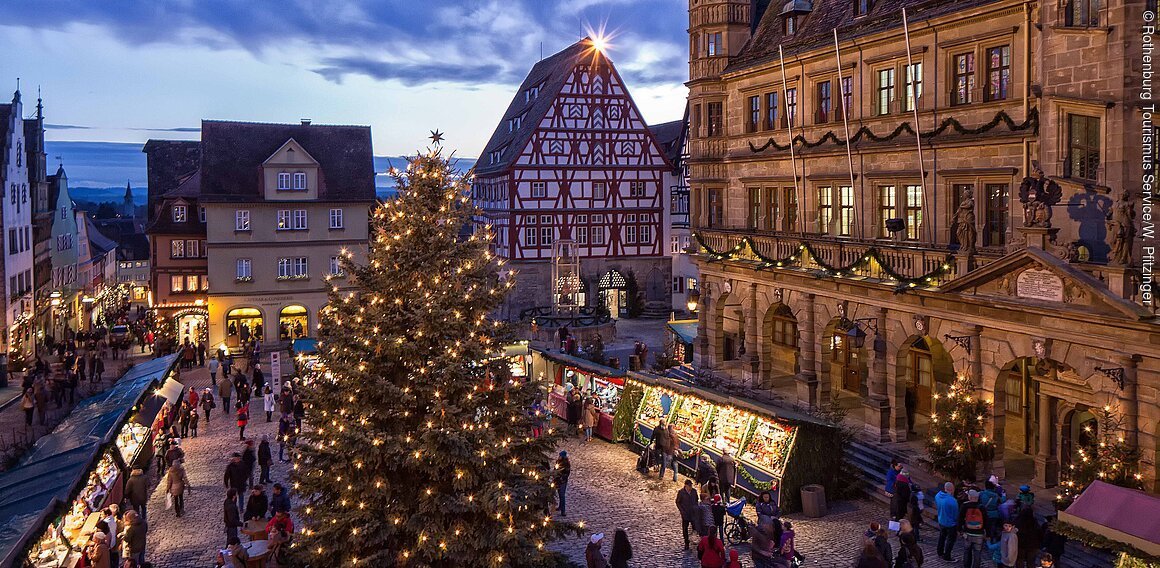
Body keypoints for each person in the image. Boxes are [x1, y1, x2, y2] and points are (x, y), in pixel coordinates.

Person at [960, 489, 988, 568]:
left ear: (969, 497)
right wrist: (987, 533)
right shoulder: (982, 507)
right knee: (977, 552)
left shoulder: (965, 506)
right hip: (979, 533)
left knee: (966, 551)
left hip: (967, 533)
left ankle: (966, 566)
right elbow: (986, 521)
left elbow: (960, 519)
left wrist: (959, 530)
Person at [935, 482, 960, 562]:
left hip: (941, 520)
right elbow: (955, 515)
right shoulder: (952, 501)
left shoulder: (938, 496)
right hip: (950, 523)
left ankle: (940, 552)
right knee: (950, 540)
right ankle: (947, 556)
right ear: (952, 490)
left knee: (942, 537)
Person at [676, 479, 700, 550]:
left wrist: (695, 507)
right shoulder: (681, 492)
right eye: (689, 486)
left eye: (691, 485)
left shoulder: (694, 492)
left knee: (695, 527)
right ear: (685, 485)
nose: (690, 487)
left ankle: (694, 539)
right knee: (685, 528)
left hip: (693, 513)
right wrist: (682, 511)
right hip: (685, 513)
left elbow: (696, 499)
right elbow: (678, 502)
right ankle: (686, 542)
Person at [554, 450, 571, 516]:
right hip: (557, 480)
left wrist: (562, 478)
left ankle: (563, 511)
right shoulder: (558, 462)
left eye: (560, 456)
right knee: (559, 493)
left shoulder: (566, 464)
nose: (559, 457)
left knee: (562, 495)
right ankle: (560, 507)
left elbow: (567, 473)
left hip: (563, 481)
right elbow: (555, 469)